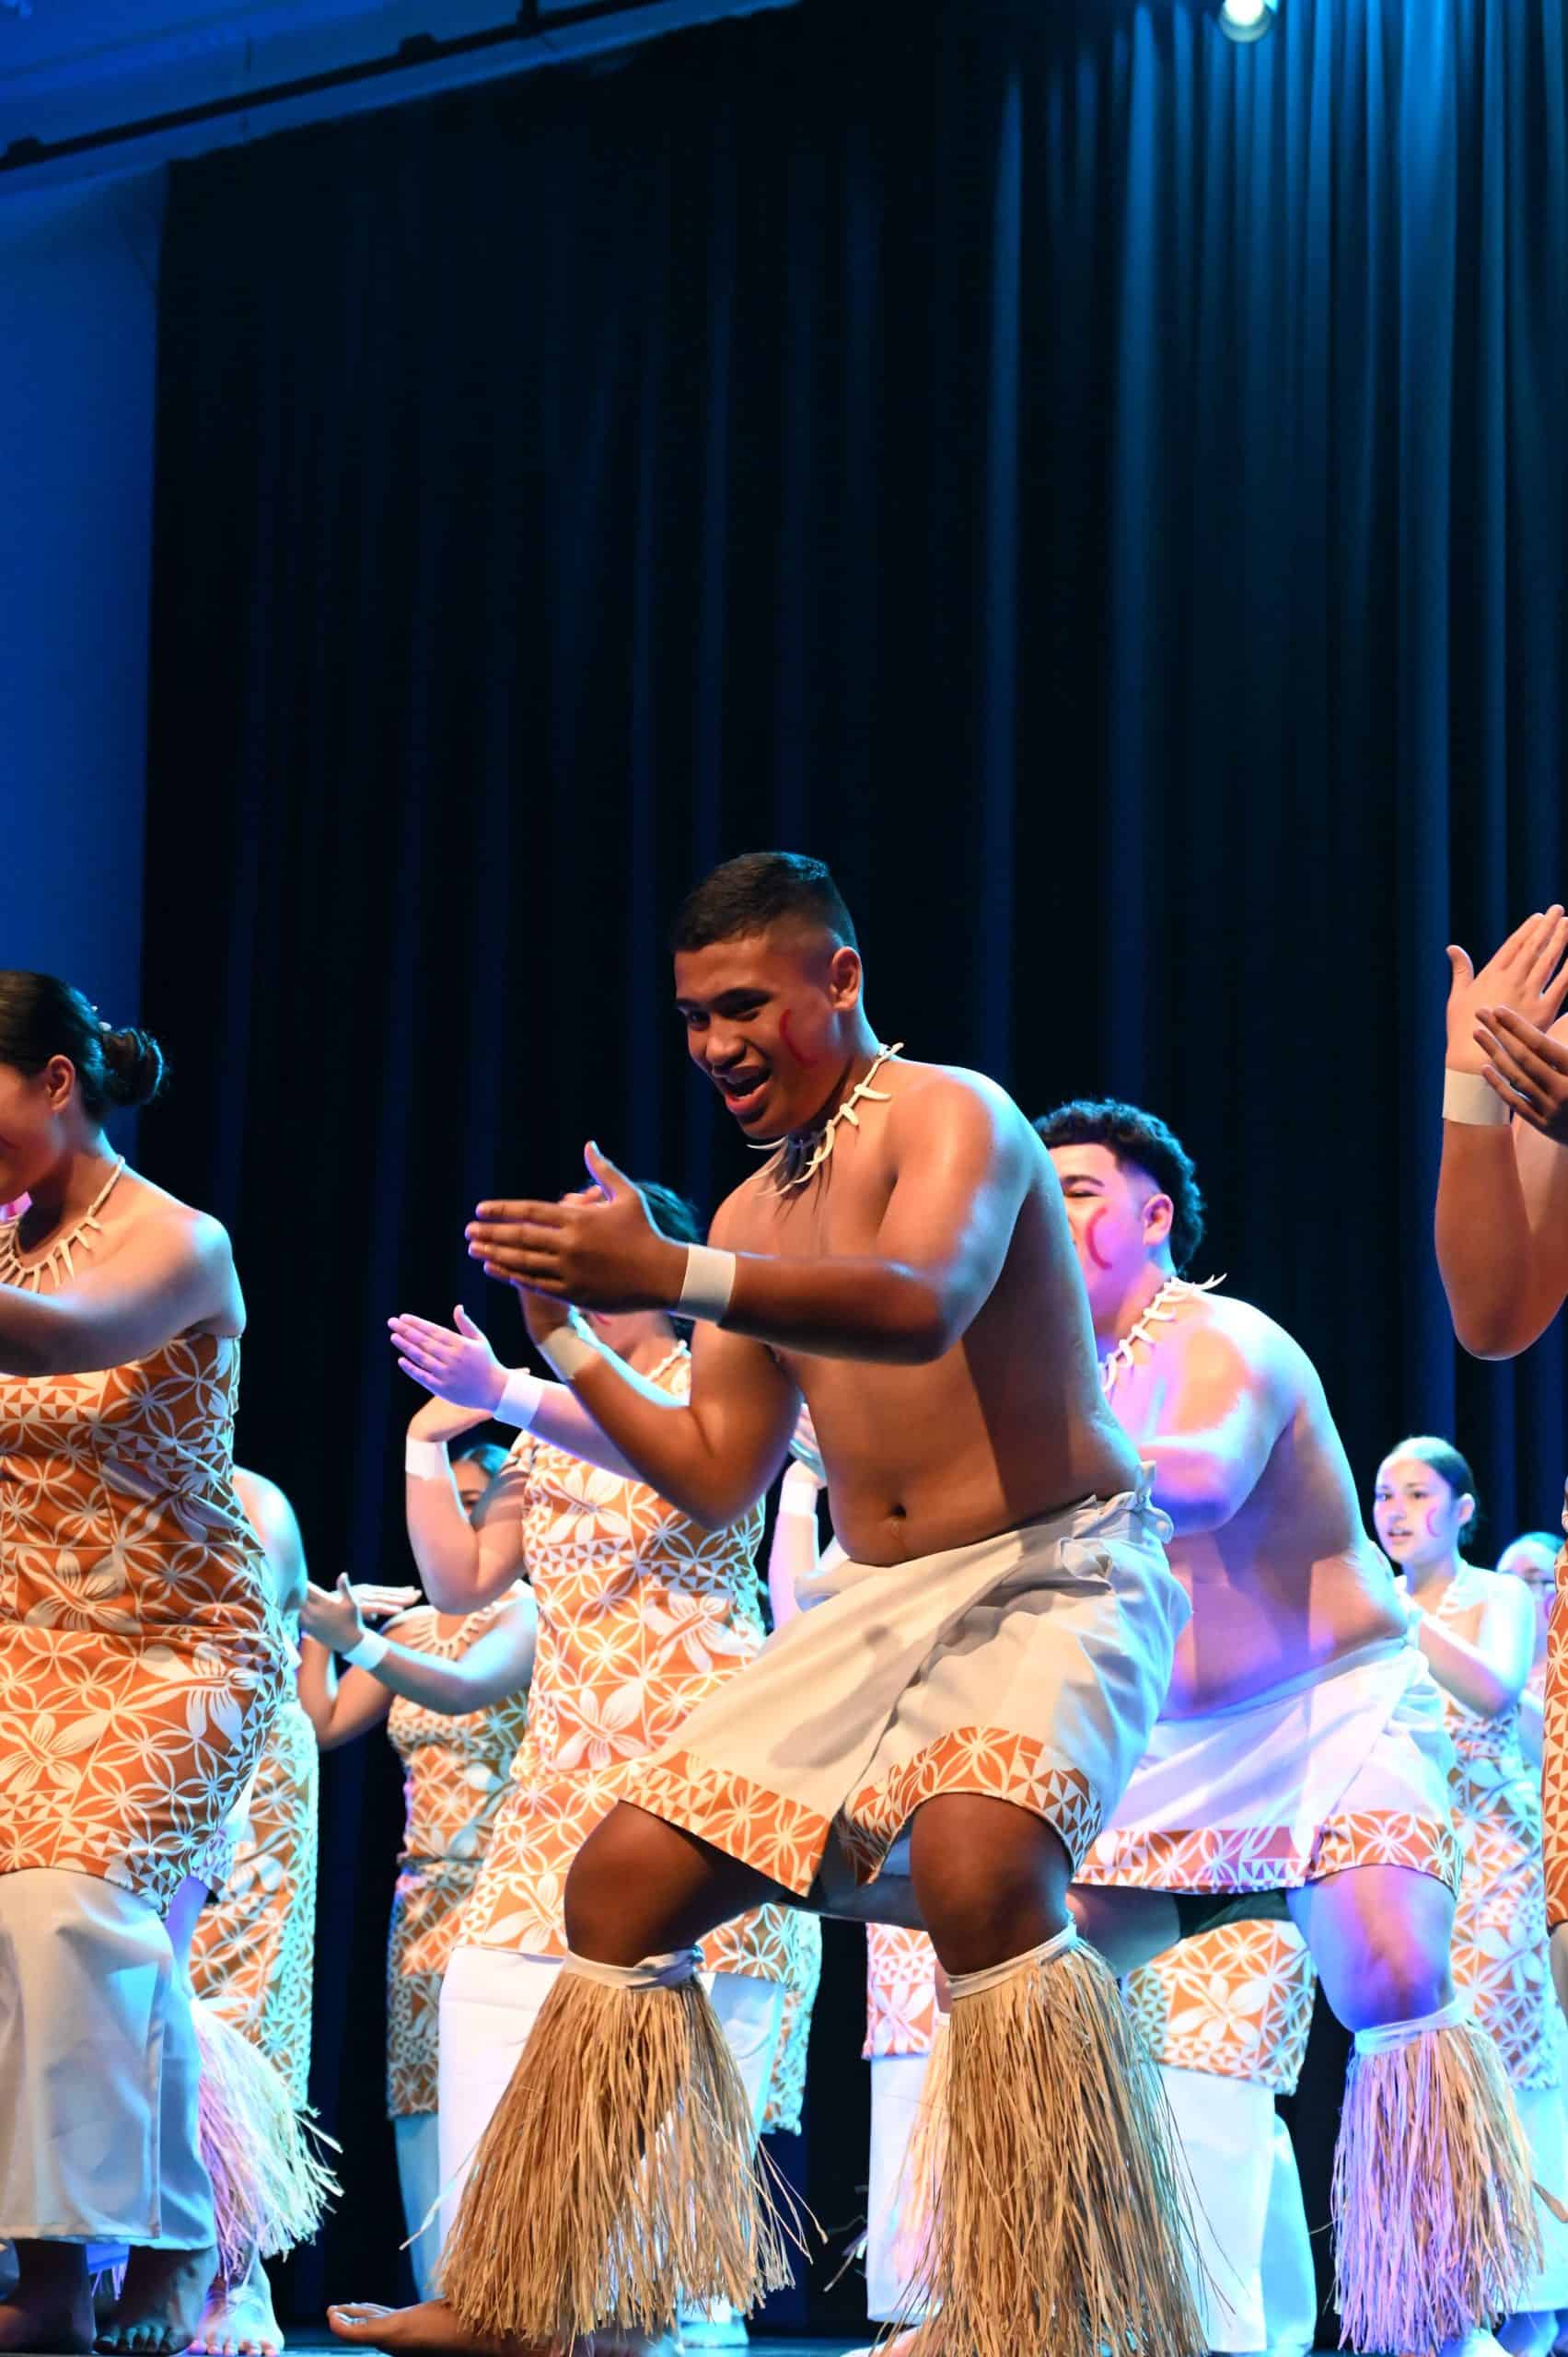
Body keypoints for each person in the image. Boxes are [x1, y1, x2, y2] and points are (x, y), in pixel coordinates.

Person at [328, 851, 1197, 2357]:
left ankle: (1049, 2313)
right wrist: (567, 1340)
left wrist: (678, 1268)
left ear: (837, 979)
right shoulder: (744, 1210)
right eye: (691, 1017)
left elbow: (917, 1300)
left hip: (1051, 1563)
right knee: (619, 1886)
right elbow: (718, 1474)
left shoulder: (953, 1118)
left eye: (743, 1005)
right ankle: (535, 2299)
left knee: (982, 1867)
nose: (716, 1044)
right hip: (873, 1601)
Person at [1034, 1096, 1542, 2357]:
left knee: (1391, 1979)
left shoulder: (1223, 1335)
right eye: (1032, 1192)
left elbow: (1201, 1481)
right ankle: (1043, 2301)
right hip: (1163, 1752)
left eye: (1078, 1190)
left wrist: (993, 1446)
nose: (1048, 1210)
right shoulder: (1047, 1373)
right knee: (1025, 1957)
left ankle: (1440, 2324)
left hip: (1329, 1714)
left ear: (1152, 1215)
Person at [380, 1185, 822, 2356]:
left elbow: (695, 1471)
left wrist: (514, 1386)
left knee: (669, 2076)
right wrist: (428, 1438)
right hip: (559, 1768)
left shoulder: (719, 1380)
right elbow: (463, 1584)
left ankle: (647, 2322)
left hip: (696, 1750)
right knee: (489, 2003)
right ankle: (511, 2298)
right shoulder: (543, 1419)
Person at [775, 1414, 1318, 2357]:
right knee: (984, 2028)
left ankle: (1156, 2319)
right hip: (971, 1779)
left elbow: (1186, 1506)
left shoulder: (1111, 1465)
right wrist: (810, 1486)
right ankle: (989, 2305)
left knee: (1174, 2073)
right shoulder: (917, 1504)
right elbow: (810, 1624)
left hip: (1135, 1778)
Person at [0, 973, 289, 2357]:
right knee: (42, 1935)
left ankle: (100, 2264)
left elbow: (73, 1340)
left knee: (72, 1909)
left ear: (57, 1082)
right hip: (22, 1642)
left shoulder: (182, 1242)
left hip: (175, 1643)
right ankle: (128, 2244)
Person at [295, 1446, 535, 2298]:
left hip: (507, 1888)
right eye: (454, 1499)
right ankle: (443, 2295)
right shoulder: (411, 1631)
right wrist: (328, 1631)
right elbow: (321, 1725)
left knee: (494, 2085)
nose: (464, 1518)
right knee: (422, 2088)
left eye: (481, 1503)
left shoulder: (531, 1615)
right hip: (424, 1892)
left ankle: (507, 2293)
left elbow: (462, 1689)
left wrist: (356, 1639)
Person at [1374, 1439, 1568, 2357]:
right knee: (1419, 2082)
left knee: (1500, 2073)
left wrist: (1395, 1615)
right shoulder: (1371, 1603)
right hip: (1406, 1865)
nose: (1395, 1509)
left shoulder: (1497, 1595)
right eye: (1382, 1493)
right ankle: (1442, 2304)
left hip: (1492, 1866)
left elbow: (1491, 1691)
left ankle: (1529, 2304)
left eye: (1417, 1492)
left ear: (1461, 1509)